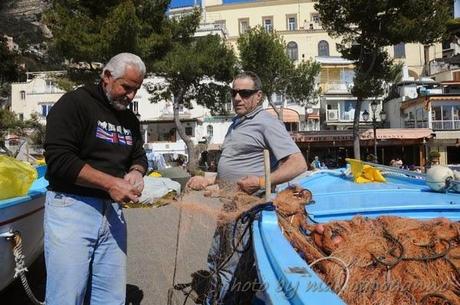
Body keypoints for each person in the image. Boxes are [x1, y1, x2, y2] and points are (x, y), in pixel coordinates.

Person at [186, 71, 307, 304]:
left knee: (232, 269)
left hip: (247, 212)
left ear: (259, 96)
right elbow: (236, 170)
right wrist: (210, 179)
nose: (237, 98)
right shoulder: (236, 124)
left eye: (245, 93)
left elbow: (298, 163)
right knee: (216, 259)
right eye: (234, 92)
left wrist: (262, 182)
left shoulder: (266, 123)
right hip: (229, 209)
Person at [43, 53, 148, 305]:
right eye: (126, 87)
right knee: (67, 296)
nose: (131, 96)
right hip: (71, 207)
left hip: (112, 212)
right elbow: (59, 159)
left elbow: (139, 156)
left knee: (110, 296)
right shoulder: (75, 103)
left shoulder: (129, 119)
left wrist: (136, 171)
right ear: (107, 76)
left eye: (136, 90)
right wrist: (111, 183)